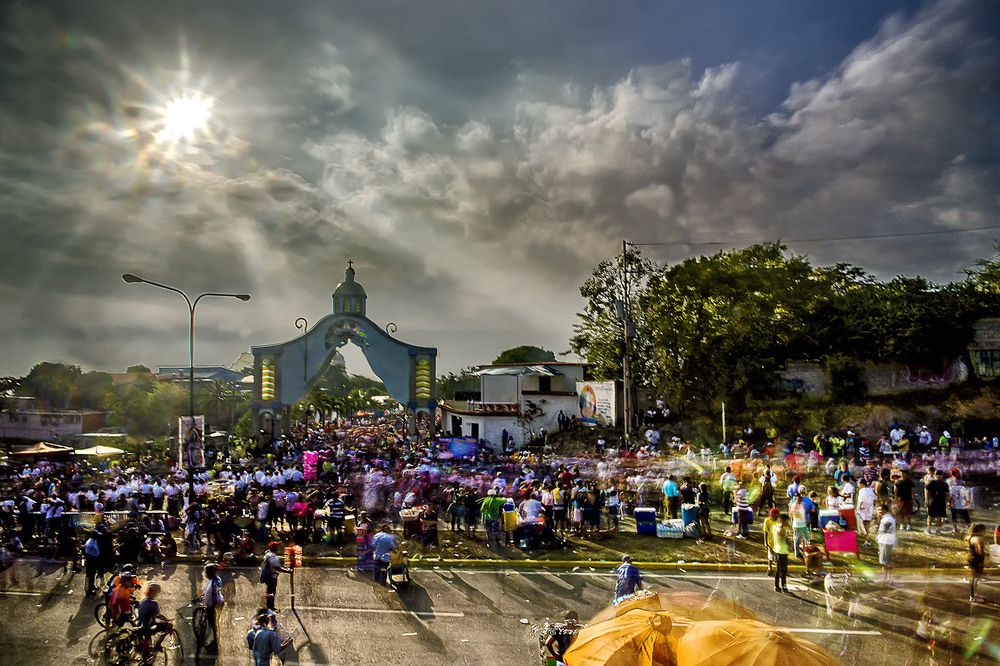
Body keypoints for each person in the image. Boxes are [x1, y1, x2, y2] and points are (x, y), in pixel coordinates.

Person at [136, 583, 174, 651]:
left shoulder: (143, 600)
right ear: (154, 592)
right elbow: (158, 615)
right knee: (169, 626)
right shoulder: (154, 603)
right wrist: (166, 620)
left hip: (140, 624)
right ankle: (158, 644)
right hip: (148, 627)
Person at [259, 542, 291, 610]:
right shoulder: (272, 556)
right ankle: (270, 607)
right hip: (271, 576)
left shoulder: (269, 554)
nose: (278, 548)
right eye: (277, 546)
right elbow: (277, 567)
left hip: (271, 576)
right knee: (271, 592)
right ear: (274, 548)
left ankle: (270, 606)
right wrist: (288, 571)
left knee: (271, 592)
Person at [203, 563, 224, 650]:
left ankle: (215, 642)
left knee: (213, 624)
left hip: (214, 605)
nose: (206, 574)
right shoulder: (212, 580)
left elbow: (216, 593)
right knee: (212, 623)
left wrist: (212, 606)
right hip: (212, 604)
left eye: (207, 572)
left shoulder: (216, 581)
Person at [876, 504, 897, 584]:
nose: (878, 512)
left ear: (884, 510)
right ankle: (885, 578)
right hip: (883, 541)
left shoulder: (888, 519)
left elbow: (885, 529)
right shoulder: (885, 518)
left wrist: (875, 528)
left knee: (886, 561)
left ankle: (889, 578)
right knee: (884, 561)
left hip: (886, 542)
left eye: (879, 510)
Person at [771, 514, 791, 594]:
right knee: (782, 570)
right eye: (787, 521)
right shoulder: (780, 529)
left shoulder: (774, 526)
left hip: (778, 550)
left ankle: (778, 585)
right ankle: (783, 586)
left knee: (779, 569)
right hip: (781, 551)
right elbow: (782, 535)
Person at [968, 523, 987, 602]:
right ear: (980, 531)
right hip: (977, 559)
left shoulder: (972, 537)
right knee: (975, 578)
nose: (985, 532)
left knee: (973, 577)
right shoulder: (979, 539)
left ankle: (974, 595)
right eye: (984, 530)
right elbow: (980, 551)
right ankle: (973, 596)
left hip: (972, 559)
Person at [83, 530, 101, 596]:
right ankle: (89, 590)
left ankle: (92, 586)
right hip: (91, 560)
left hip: (92, 559)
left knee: (92, 574)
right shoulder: (90, 543)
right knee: (90, 575)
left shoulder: (93, 540)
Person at [762, 508, 780, 575]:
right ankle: (769, 568)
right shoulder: (767, 521)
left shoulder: (779, 520)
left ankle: (778, 569)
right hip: (771, 542)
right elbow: (765, 532)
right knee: (770, 556)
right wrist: (765, 542)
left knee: (778, 557)